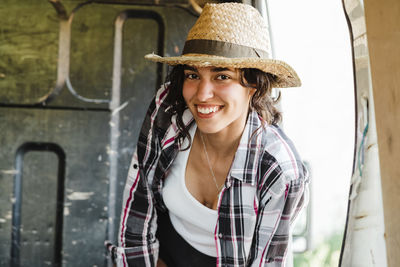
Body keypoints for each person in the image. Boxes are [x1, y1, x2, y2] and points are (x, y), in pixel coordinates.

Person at [107, 3, 308, 266]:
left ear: (255, 86)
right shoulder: (168, 112)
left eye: (222, 76)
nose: (202, 95)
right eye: (193, 75)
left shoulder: (280, 170)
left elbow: (267, 262)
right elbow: (139, 203)